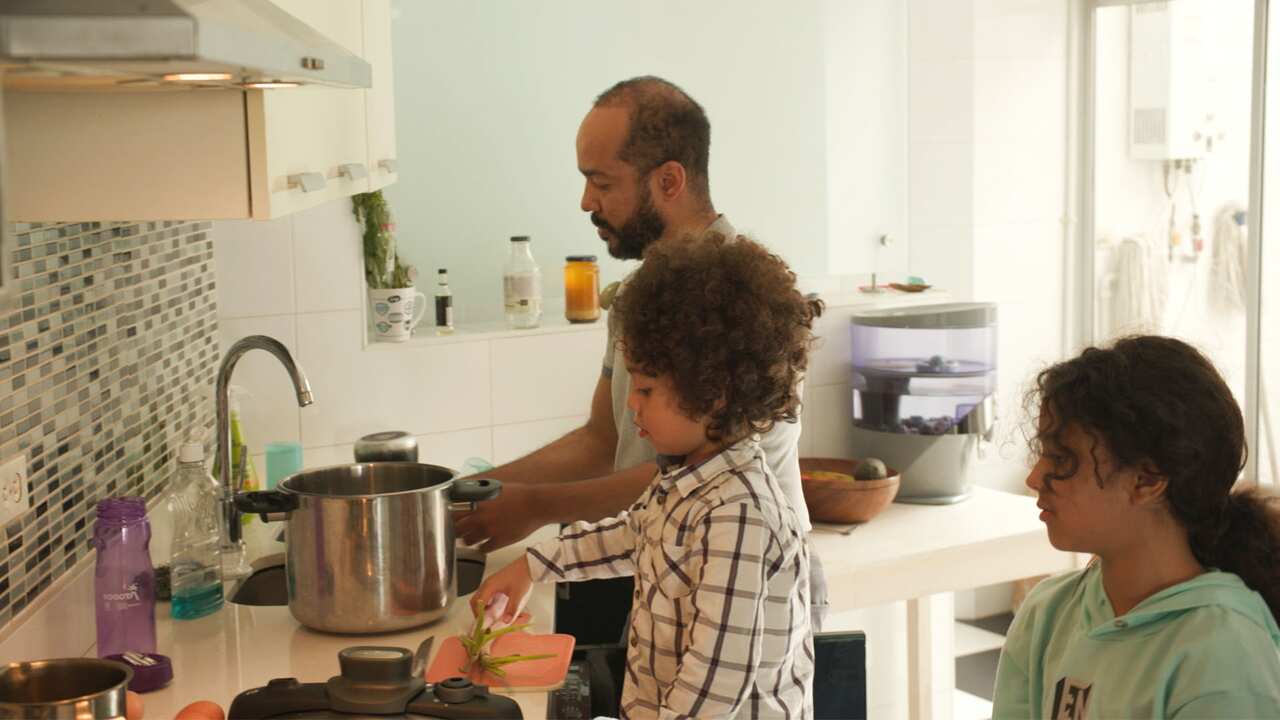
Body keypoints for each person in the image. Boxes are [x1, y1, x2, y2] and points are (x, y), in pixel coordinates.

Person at [455, 75, 827, 636]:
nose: (586, 201)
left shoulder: (745, 301)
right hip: (648, 567)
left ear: (669, 180)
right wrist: (470, 495)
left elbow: (691, 478)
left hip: (738, 585)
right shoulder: (642, 295)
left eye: (600, 181)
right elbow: (601, 442)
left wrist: (536, 506)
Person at [472, 233, 818, 718]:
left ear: (713, 392)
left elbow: (711, 697)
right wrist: (531, 565)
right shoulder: (686, 477)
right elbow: (636, 534)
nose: (631, 403)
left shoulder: (740, 519)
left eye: (647, 389)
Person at [992, 335, 1280, 719]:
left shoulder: (1223, 652)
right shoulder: (1047, 612)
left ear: (1147, 481)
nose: (1034, 477)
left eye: (1061, 459)